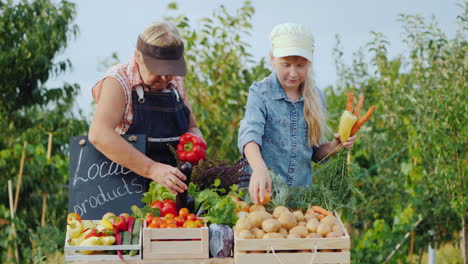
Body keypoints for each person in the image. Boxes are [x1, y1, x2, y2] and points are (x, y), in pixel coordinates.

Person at [238, 23, 355, 204]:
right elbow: (249, 136)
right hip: (261, 198)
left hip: (299, 202)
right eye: (286, 64)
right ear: (272, 58)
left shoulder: (316, 97)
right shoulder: (260, 93)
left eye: (300, 65)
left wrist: (334, 146)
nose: (293, 73)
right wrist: (259, 169)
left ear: (309, 63)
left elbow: (315, 153)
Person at [88, 21, 204, 194]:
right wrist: (152, 169)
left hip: (172, 189)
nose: (165, 77)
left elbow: (192, 127)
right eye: (158, 69)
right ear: (138, 56)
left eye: (170, 69)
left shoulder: (175, 80)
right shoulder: (118, 81)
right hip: (125, 190)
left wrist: (197, 147)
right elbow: (99, 134)